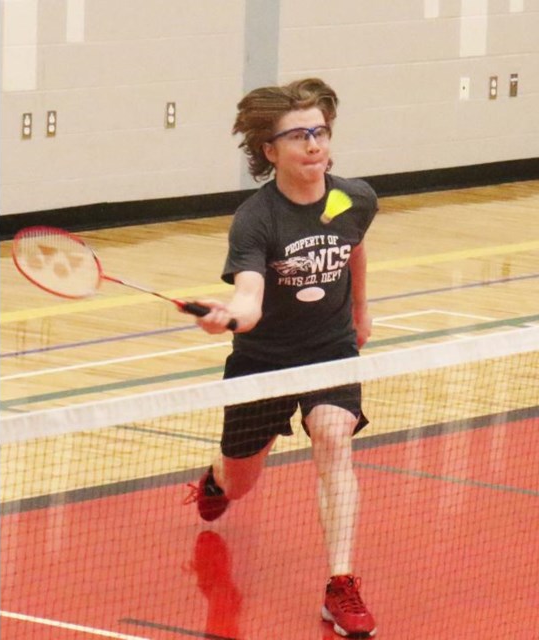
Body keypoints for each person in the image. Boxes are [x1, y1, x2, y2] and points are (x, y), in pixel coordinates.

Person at [184, 78, 378, 637]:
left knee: (334, 440)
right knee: (243, 481)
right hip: (262, 361)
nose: (314, 144)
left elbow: (355, 244)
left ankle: (341, 583)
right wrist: (230, 315)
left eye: (319, 131)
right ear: (270, 152)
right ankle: (218, 480)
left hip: (330, 349)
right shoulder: (256, 219)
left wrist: (362, 312)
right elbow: (248, 295)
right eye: (298, 136)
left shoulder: (353, 196)